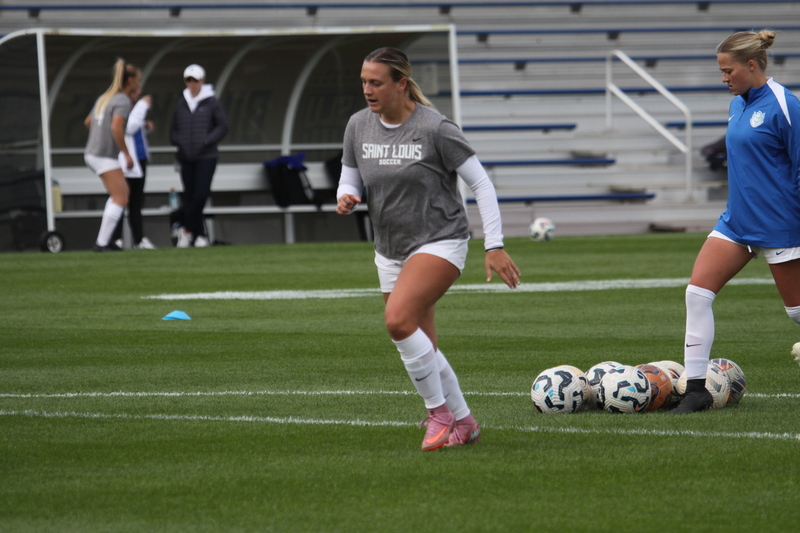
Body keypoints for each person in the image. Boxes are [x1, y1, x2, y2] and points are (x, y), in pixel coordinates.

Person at [336, 47, 521, 450]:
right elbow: (350, 177)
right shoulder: (358, 125)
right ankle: (465, 423)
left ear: (401, 84)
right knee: (423, 343)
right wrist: (347, 196)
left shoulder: (435, 128)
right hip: (389, 249)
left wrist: (494, 245)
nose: (367, 90)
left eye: (376, 82)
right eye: (364, 82)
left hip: (441, 240)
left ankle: (439, 414)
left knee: (397, 322)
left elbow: (481, 184)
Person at [672, 30, 800, 414]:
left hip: (781, 226)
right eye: (721, 71)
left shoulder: (785, 104)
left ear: (752, 64)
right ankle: (696, 390)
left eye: (728, 71)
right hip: (736, 223)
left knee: (796, 313)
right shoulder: (736, 105)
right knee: (697, 294)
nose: (724, 78)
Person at [84, 58, 140, 252]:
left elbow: (88, 121)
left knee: (121, 193)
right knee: (121, 196)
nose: (139, 84)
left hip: (93, 153)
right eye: (138, 80)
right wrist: (126, 154)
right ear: (130, 80)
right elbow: (116, 127)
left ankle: (104, 241)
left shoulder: (105, 97)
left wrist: (98, 137)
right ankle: (101, 243)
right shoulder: (123, 100)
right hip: (103, 155)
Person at [169, 63, 228, 248]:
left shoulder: (212, 102)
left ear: (202, 81)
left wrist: (206, 141)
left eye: (195, 80)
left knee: (200, 194)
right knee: (190, 195)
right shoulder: (181, 103)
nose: (192, 83)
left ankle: (186, 229)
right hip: (185, 157)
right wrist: (180, 142)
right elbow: (173, 131)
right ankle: (200, 234)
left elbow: (222, 126)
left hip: (206, 157)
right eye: (188, 80)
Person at [112, 88, 157, 250]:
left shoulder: (133, 109)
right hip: (126, 163)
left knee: (136, 203)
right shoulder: (121, 107)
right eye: (135, 91)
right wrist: (141, 107)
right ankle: (115, 239)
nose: (138, 94)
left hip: (140, 161)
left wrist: (145, 126)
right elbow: (129, 127)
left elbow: (134, 129)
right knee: (120, 200)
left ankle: (139, 239)